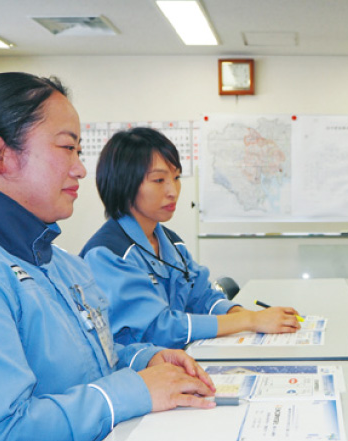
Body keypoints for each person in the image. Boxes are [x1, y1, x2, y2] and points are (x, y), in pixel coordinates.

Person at [0, 72, 217, 441]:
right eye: (67, 148)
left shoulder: (54, 258)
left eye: (79, 151)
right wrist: (133, 389)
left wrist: (147, 360)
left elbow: (83, 358)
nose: (81, 168)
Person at [80, 127, 300, 348]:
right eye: (158, 180)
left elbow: (201, 297)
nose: (173, 191)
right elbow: (159, 328)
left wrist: (245, 314)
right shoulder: (106, 255)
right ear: (123, 184)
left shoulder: (170, 242)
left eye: (176, 178)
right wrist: (249, 320)